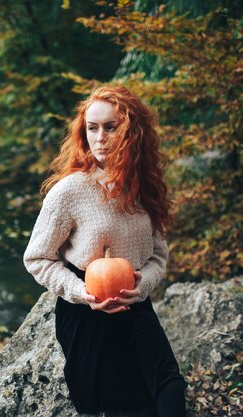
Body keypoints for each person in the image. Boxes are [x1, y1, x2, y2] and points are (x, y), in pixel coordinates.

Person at [23, 86, 188, 416]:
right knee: (120, 404)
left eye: (111, 127)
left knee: (169, 388)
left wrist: (141, 288)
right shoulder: (69, 192)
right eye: (92, 127)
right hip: (86, 310)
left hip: (134, 302)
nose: (100, 137)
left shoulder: (145, 186)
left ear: (132, 131)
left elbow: (158, 255)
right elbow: (37, 258)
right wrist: (81, 292)